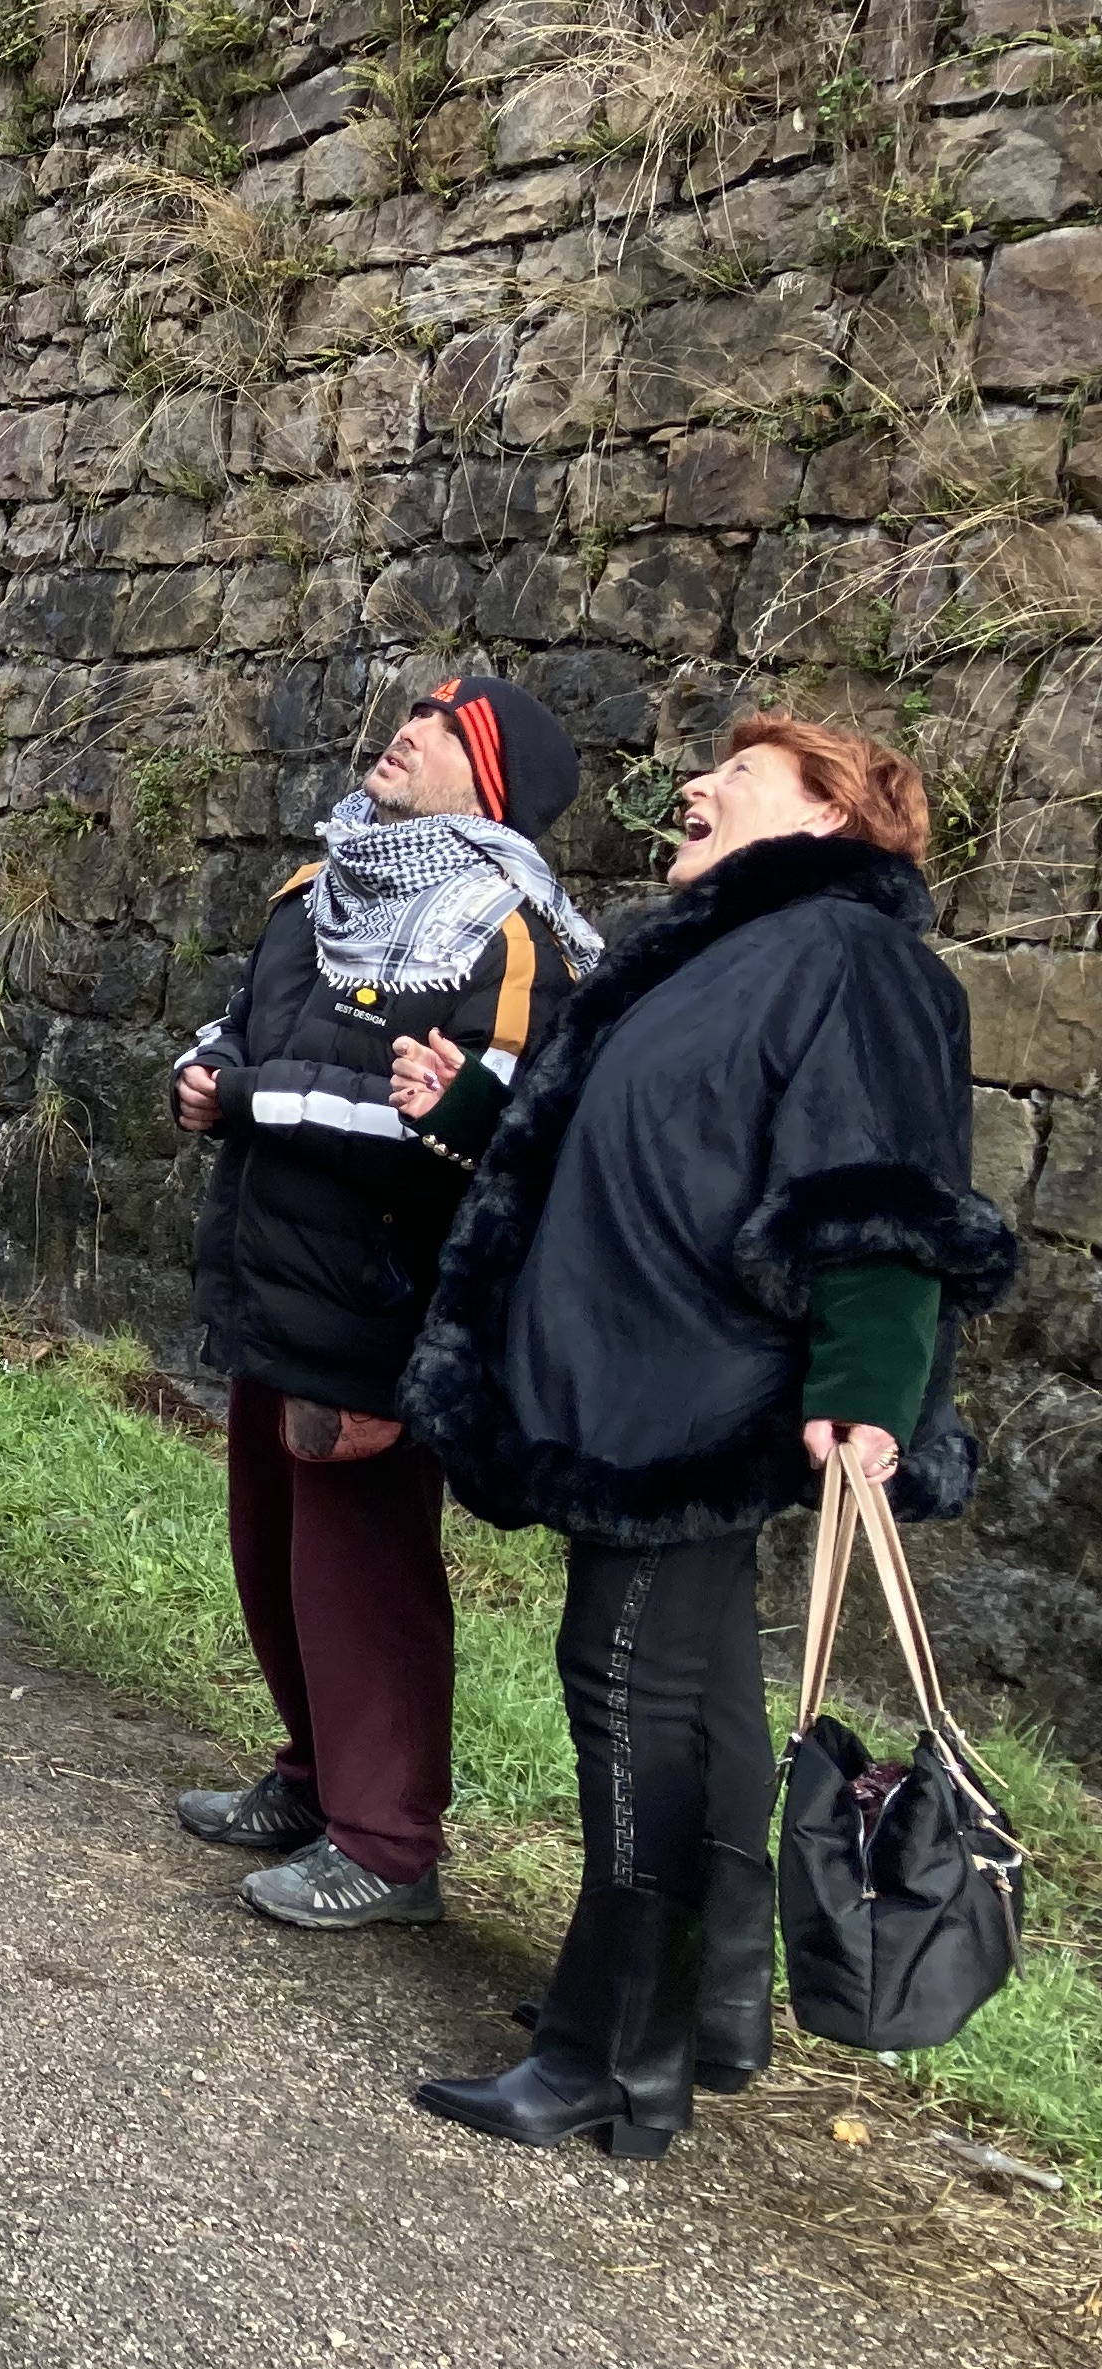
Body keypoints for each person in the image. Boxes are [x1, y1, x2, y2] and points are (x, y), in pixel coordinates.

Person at [397, 717, 1015, 2161]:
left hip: (696, 1396)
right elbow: (639, 1139)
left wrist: (870, 1375)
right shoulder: (711, 956)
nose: (695, 784)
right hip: (635, 1376)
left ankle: (608, 2049)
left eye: (740, 774)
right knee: (702, 1704)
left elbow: (882, 1185)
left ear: (833, 814)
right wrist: (479, 1104)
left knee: (628, 1691)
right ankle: (701, 2020)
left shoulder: (850, 959)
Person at [163, 676, 597, 1931]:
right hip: (273, 1274)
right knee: (276, 1552)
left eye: (449, 728)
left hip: (378, 1296)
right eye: (415, 712)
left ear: (493, 783)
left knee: (367, 1573)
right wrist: (200, 1070)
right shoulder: (316, 889)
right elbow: (236, 1026)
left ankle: (391, 1843)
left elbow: (454, 1133)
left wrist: (247, 1095)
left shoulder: (509, 934)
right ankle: (311, 1779)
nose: (408, 731)